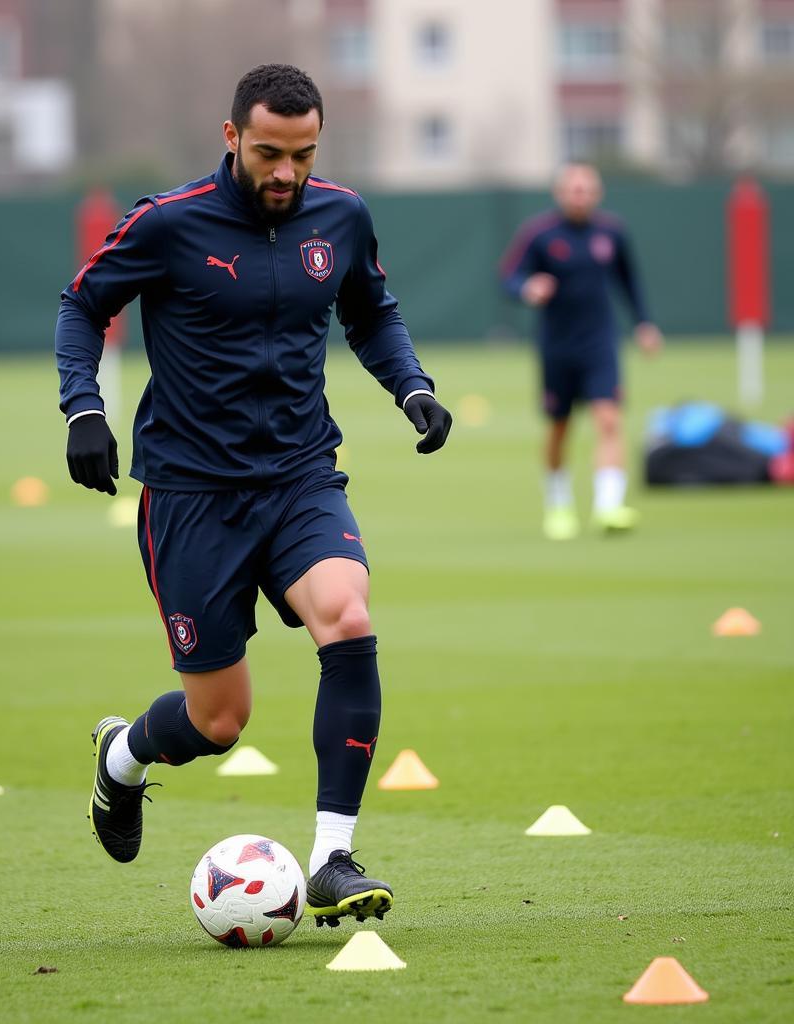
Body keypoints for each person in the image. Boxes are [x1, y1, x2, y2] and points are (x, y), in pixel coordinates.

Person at [55, 64, 451, 929]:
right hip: (193, 495)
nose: (286, 173)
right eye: (269, 153)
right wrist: (85, 408)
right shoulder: (168, 223)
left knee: (347, 614)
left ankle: (332, 858)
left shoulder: (340, 215)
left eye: (303, 155)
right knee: (220, 719)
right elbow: (83, 308)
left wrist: (411, 387)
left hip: (302, 475)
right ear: (232, 137)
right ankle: (122, 757)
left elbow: (371, 312)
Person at [500, 163, 662, 540]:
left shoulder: (611, 233)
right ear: (560, 193)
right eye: (574, 189)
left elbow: (629, 280)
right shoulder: (539, 234)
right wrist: (528, 288)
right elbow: (508, 276)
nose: (580, 195)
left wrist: (644, 323)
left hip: (600, 342)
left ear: (598, 193)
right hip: (557, 345)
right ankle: (558, 505)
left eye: (587, 189)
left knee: (609, 419)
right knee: (560, 427)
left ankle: (609, 507)